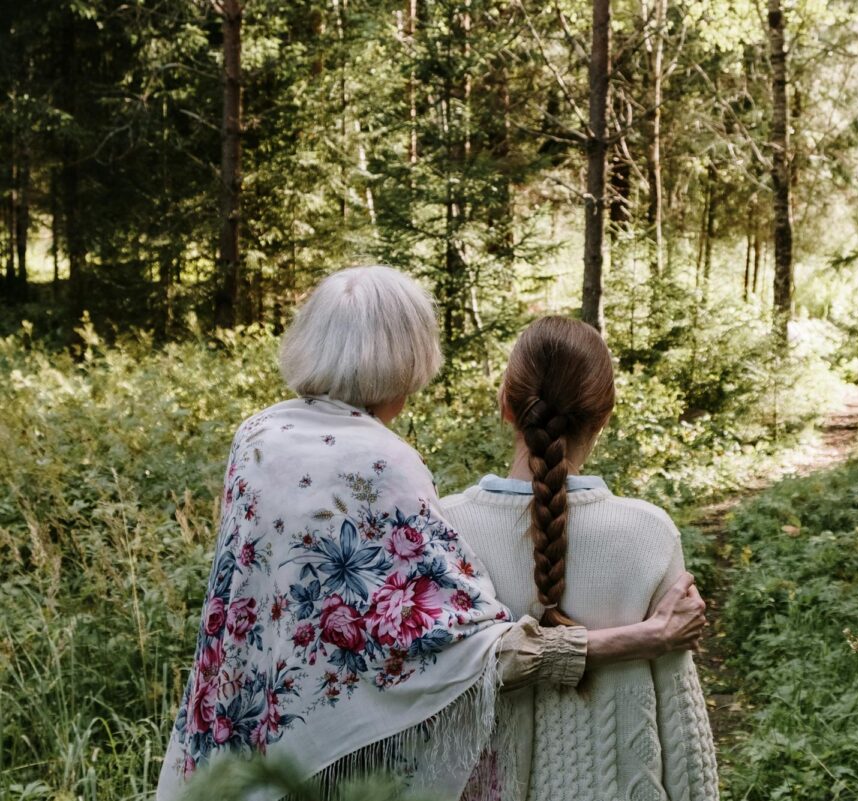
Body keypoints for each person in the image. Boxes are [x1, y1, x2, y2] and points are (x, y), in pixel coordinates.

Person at [156, 268, 708, 801]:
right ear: (405, 365)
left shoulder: (255, 439)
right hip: (339, 766)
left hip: (253, 738)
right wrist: (644, 639)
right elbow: (468, 655)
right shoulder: (385, 464)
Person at [443, 316, 719, 801]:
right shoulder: (648, 534)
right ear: (605, 415)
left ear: (506, 404)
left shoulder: (445, 528)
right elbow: (681, 720)